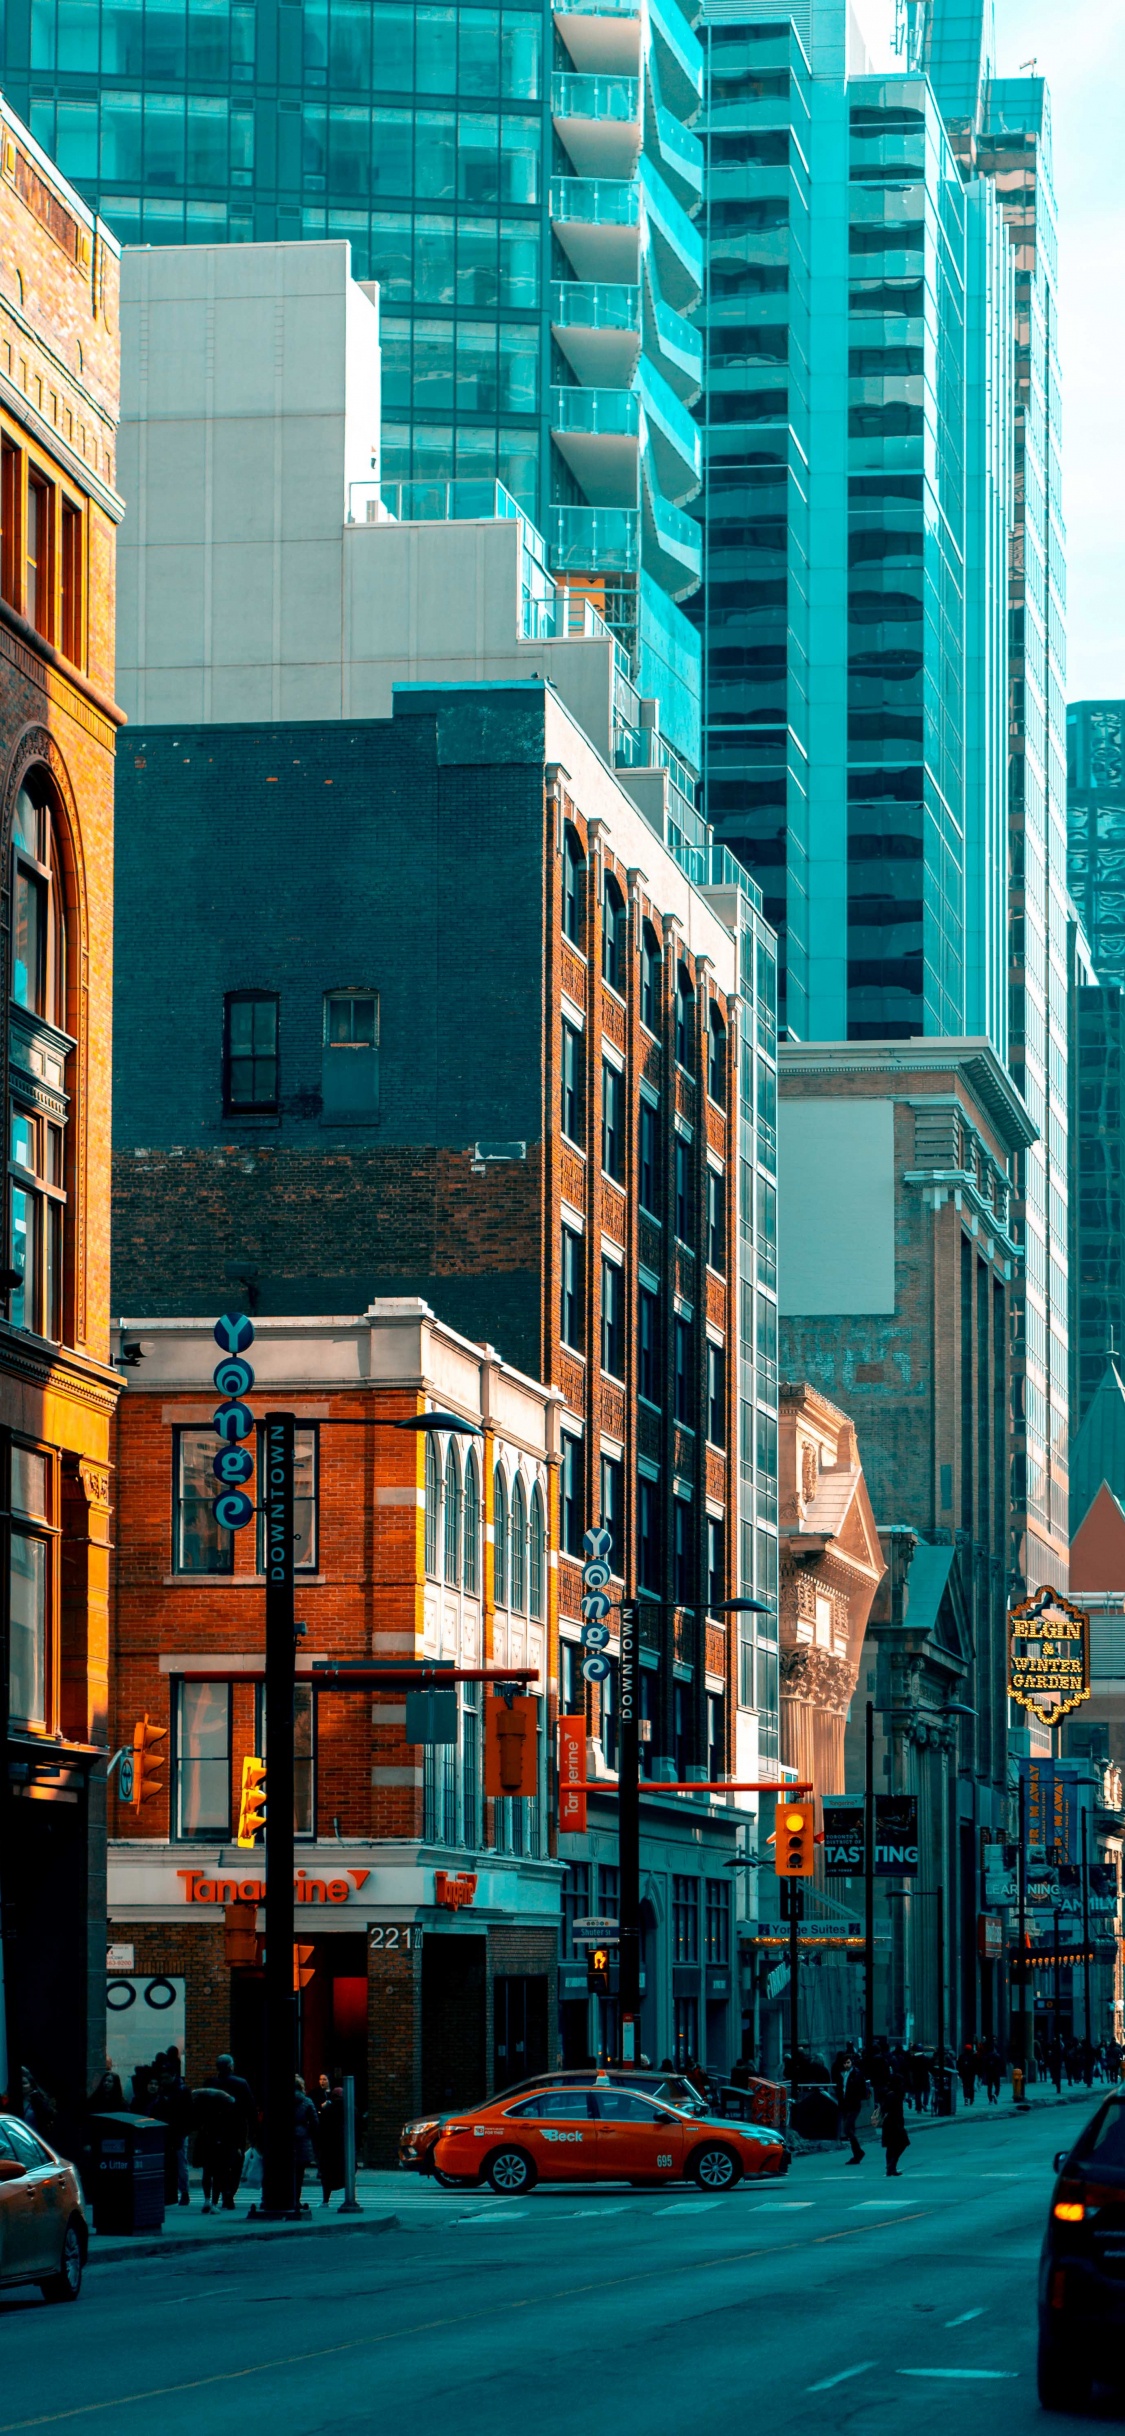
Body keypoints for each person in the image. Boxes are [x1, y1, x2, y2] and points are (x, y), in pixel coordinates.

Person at [192, 2076, 241, 2214]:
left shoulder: (200, 2102)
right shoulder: (225, 2102)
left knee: (207, 2172)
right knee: (219, 2172)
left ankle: (207, 2200)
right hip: (221, 2140)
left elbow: (195, 2121)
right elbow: (233, 2124)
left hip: (205, 2140)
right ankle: (214, 2203)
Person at [317, 2086, 346, 2207]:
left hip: (328, 2146)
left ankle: (325, 2200)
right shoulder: (348, 2109)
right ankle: (349, 2197)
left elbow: (319, 2127)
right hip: (343, 2145)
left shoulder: (327, 2109)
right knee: (346, 2172)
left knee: (327, 2174)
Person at [294, 2076, 320, 2200]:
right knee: (299, 2173)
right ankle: (296, 2199)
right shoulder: (307, 2101)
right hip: (302, 2139)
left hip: (285, 2139)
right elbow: (315, 2123)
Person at [840, 2052, 867, 2165]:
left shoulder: (856, 2074)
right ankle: (857, 2153)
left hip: (854, 2104)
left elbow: (861, 2089)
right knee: (849, 2129)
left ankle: (858, 2152)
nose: (846, 2065)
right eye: (844, 2063)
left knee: (847, 2129)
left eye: (848, 2062)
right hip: (847, 2104)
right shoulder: (844, 2074)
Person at [881, 2077, 909, 2178]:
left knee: (891, 2146)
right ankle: (892, 2165)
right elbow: (887, 2108)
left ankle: (891, 2167)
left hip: (890, 2123)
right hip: (894, 2123)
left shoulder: (891, 2093)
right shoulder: (893, 2094)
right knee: (902, 2143)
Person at [957, 2041, 977, 2106]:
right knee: (971, 2086)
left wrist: (959, 2073)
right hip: (971, 2074)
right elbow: (976, 2065)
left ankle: (966, 2098)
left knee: (965, 2086)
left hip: (964, 2074)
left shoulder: (961, 2056)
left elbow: (958, 2065)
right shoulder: (973, 2056)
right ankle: (971, 2098)